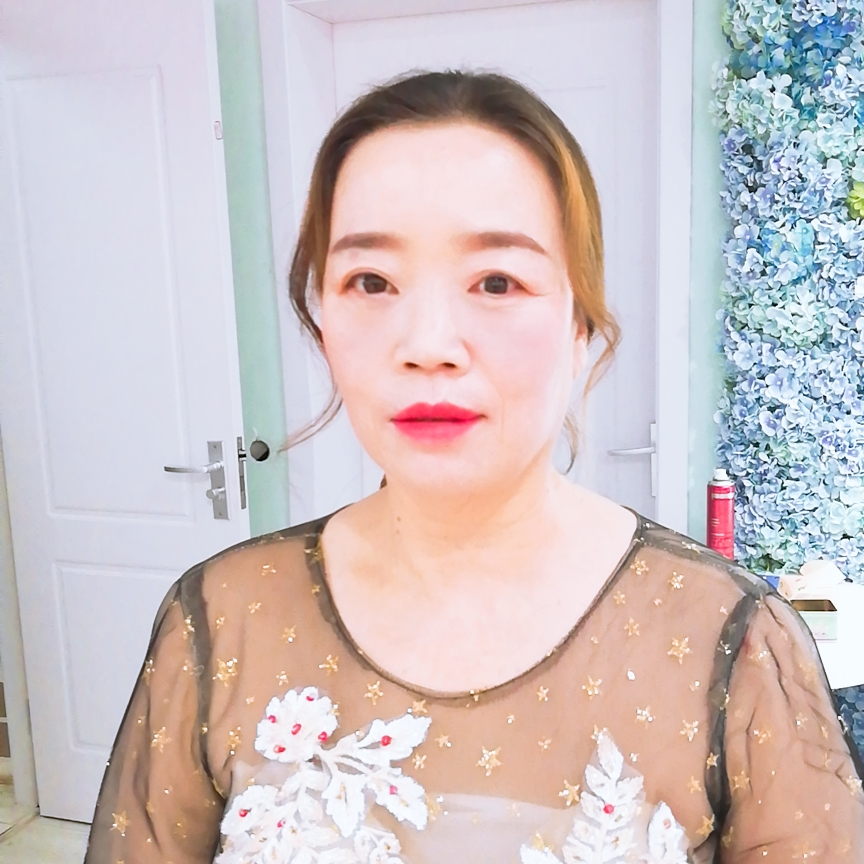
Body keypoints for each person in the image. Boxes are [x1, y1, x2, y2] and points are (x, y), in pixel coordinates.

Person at [84, 70, 864, 864]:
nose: (427, 345)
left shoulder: (729, 641)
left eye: (496, 281)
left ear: (580, 325)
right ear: (323, 323)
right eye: (370, 281)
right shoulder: (222, 619)